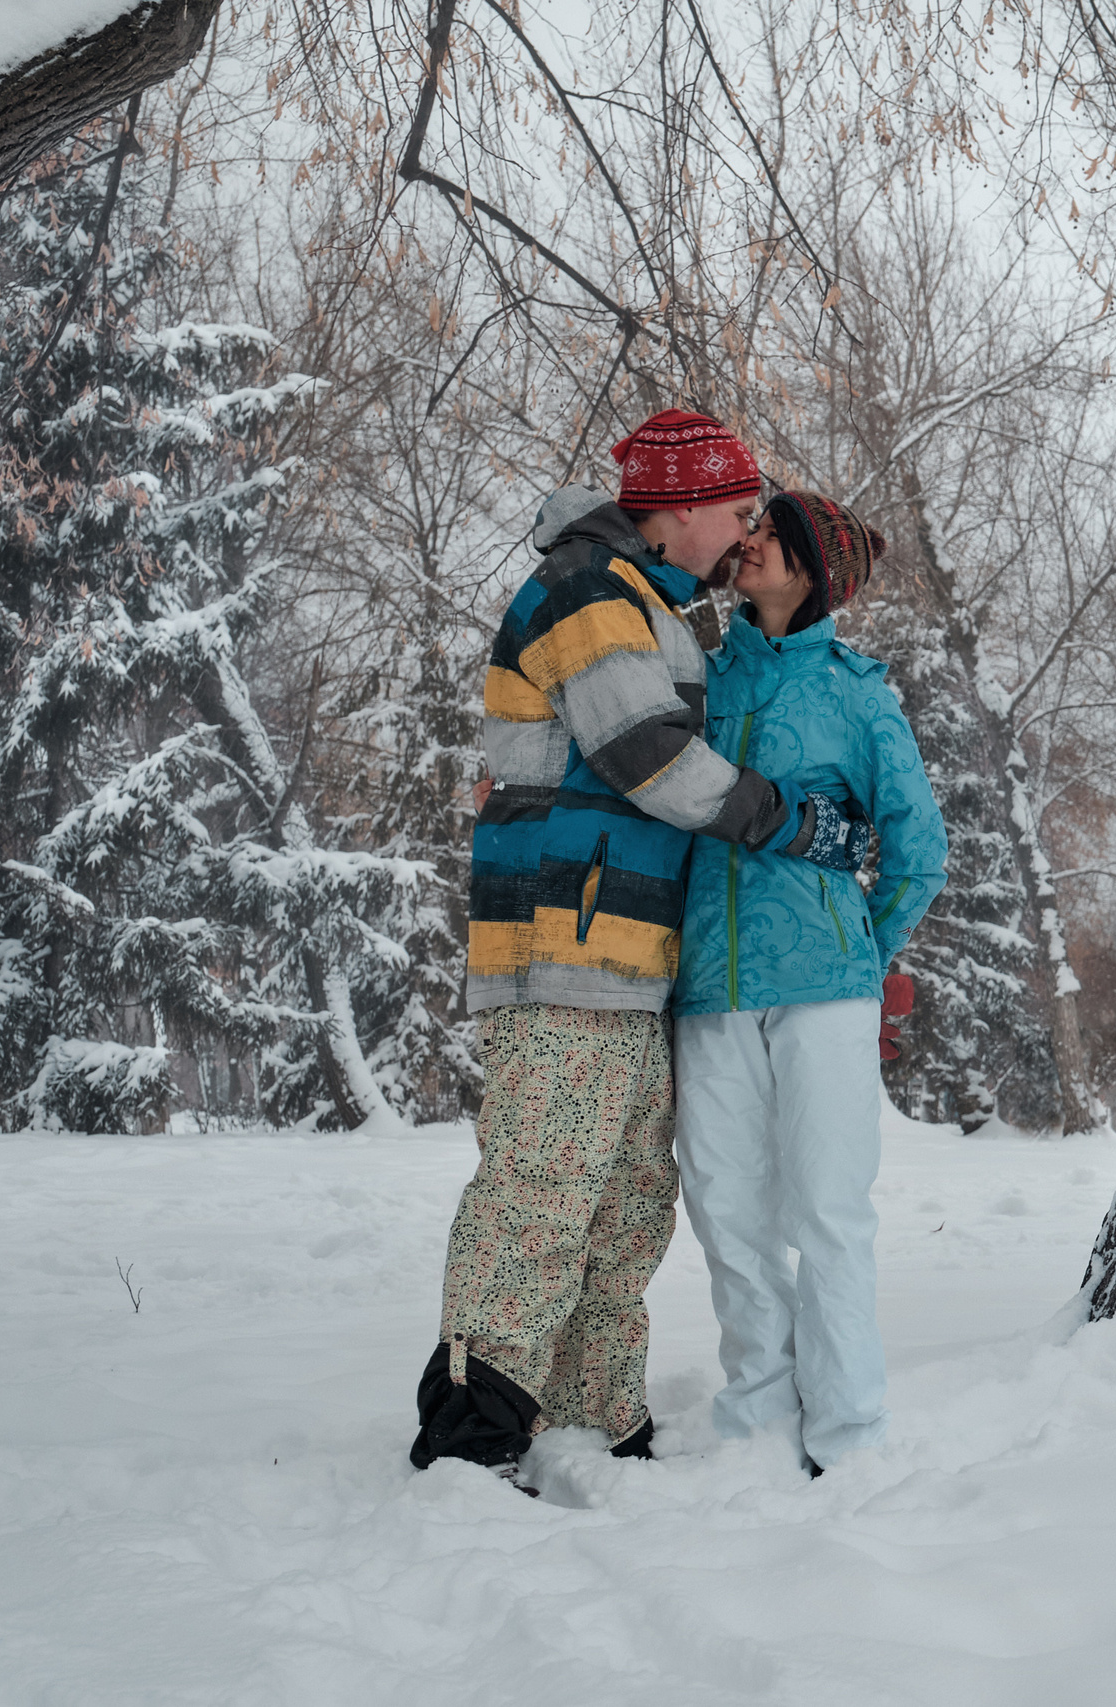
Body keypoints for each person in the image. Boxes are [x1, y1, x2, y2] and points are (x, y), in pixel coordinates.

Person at [410, 411, 868, 1482]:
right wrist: (788, 820)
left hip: (626, 953)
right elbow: (643, 756)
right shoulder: (586, 591)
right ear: (686, 506)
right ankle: (474, 1426)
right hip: (560, 941)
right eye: (740, 509)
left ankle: (591, 1416)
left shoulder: (651, 608)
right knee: (545, 1180)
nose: (747, 530)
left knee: (624, 1196)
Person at [671, 489, 948, 1474]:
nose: (748, 546)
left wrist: (863, 956)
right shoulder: (696, 670)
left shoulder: (855, 693)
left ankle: (848, 1431)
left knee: (828, 1210)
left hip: (826, 986)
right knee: (725, 1209)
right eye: (751, 531)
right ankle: (755, 1419)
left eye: (773, 538)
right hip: (708, 985)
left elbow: (919, 849)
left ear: (814, 572)